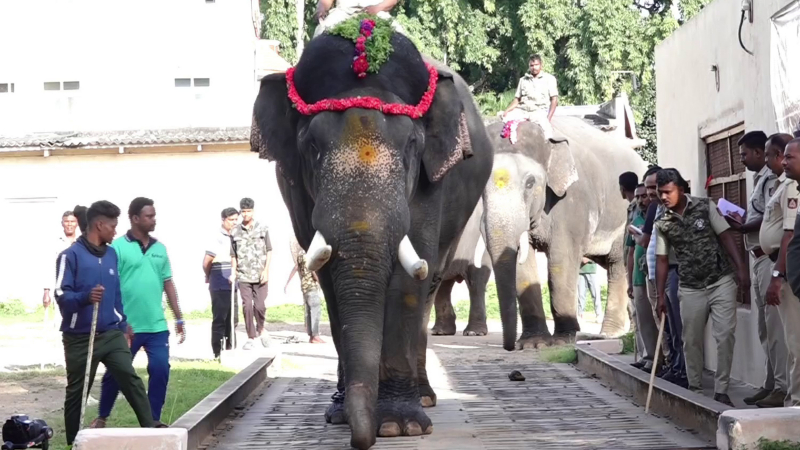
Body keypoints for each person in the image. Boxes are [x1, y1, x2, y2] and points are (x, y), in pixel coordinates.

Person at [55, 201, 153, 445]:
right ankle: (74, 442)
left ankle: (152, 430)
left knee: (130, 378)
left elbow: (116, 293)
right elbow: (60, 293)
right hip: (80, 337)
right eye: (112, 226)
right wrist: (85, 297)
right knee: (78, 392)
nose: (115, 231)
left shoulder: (111, 255)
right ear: (99, 225)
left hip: (111, 333)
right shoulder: (69, 256)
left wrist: (123, 323)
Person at [655, 169, 750, 406]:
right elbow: (662, 260)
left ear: (681, 189)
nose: (663, 197)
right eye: (660, 192)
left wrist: (741, 268)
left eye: (667, 192)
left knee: (725, 335)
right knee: (691, 340)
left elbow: (726, 236)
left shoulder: (705, 206)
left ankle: (721, 390)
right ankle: (695, 390)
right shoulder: (663, 223)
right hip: (690, 287)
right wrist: (660, 296)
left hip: (721, 281)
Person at [91, 198, 186, 429]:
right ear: (134, 218)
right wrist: (119, 321)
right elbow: (110, 285)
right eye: (149, 216)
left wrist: (179, 316)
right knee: (117, 372)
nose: (154, 220)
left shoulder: (160, 249)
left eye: (154, 216)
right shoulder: (117, 248)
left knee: (160, 369)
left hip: (156, 325)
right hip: (127, 326)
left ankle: (152, 420)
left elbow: (168, 283)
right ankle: (102, 416)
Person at [726, 131, 788, 408]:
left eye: (744, 154)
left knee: (775, 328)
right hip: (758, 257)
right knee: (764, 328)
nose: (742, 159)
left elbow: (771, 218)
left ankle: (782, 387)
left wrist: (742, 227)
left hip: (769, 259)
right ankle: (771, 383)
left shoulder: (776, 180)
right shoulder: (761, 179)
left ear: (761, 153)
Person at [640, 165, 688, 388]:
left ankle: (683, 370)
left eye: (657, 188)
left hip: (675, 272)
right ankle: (675, 366)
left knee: (678, 325)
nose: (655, 193)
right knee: (669, 327)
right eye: (653, 189)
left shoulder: (682, 211)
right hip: (658, 275)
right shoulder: (656, 210)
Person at [765, 135, 800, 406]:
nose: (783, 162)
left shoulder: (791, 189)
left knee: (797, 344)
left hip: (788, 277)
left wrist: (778, 275)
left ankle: (796, 404)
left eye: (789, 157)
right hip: (792, 278)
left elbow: (789, 236)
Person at [231, 198, 272, 350]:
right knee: (247, 306)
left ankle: (261, 329)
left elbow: (269, 250)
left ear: (253, 211)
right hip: (244, 275)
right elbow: (233, 255)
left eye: (248, 211)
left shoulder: (262, 228)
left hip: (260, 275)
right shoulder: (235, 231)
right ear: (240, 212)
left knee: (260, 306)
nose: (246, 214)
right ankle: (251, 337)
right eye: (243, 211)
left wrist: (266, 270)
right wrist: (233, 272)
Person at [628, 184, 659, 372]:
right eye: (638, 197)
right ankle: (648, 357)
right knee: (643, 320)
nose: (641, 200)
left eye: (644, 196)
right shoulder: (635, 218)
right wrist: (629, 281)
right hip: (639, 277)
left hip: (656, 276)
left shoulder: (657, 215)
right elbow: (630, 252)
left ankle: (662, 361)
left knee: (657, 319)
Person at [203, 208, 239, 359]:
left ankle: (230, 350)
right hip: (219, 283)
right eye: (231, 220)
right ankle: (217, 352)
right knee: (220, 318)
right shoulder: (217, 237)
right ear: (223, 220)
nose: (234, 223)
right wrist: (209, 275)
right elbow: (207, 261)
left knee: (233, 319)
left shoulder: (236, 236)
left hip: (232, 284)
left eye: (236, 219)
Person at [501, 55, 559, 142]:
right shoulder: (523, 80)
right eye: (531, 65)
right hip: (522, 110)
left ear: (541, 65)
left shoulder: (549, 79)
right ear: (529, 66)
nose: (534, 67)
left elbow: (554, 100)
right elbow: (517, 100)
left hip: (538, 111)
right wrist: (507, 111)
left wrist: (548, 118)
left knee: (547, 132)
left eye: (536, 65)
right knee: (504, 120)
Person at [44, 211, 81, 326]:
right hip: (61, 289)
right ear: (62, 223)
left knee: (79, 323)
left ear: (77, 223)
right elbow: (49, 266)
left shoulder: (82, 242)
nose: (69, 224)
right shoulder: (55, 243)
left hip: (79, 289)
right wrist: (46, 291)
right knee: (62, 322)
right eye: (66, 221)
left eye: (72, 221)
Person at [286, 237, 324, 343]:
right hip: (311, 286)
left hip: (304, 287)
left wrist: (287, 283)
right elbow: (313, 271)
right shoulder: (310, 255)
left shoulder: (300, 255)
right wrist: (321, 283)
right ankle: (315, 336)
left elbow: (296, 268)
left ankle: (311, 336)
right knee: (315, 310)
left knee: (308, 311)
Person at [314, 0, 402, 37]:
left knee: (400, 34)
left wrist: (377, 8)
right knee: (320, 32)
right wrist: (321, 8)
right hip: (343, 12)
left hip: (376, 12)